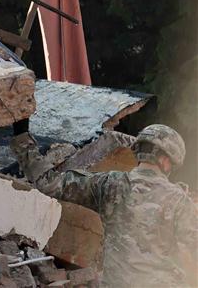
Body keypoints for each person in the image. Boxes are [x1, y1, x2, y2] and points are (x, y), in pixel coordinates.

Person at [11, 123, 197, 287]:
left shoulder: (108, 184)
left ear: (139, 151)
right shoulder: (180, 201)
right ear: (166, 161)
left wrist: (22, 135)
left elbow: (48, 184)